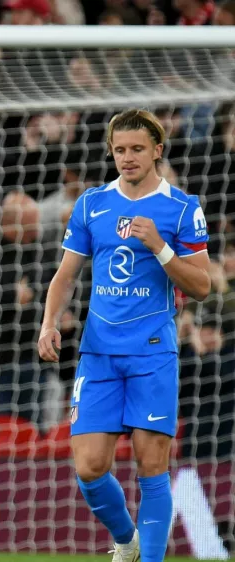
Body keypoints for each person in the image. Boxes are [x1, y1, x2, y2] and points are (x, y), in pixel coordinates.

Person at [38, 109, 212, 562]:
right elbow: (65, 275)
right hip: (98, 355)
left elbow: (202, 286)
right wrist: (49, 322)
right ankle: (126, 541)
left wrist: (161, 247)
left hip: (153, 354)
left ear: (157, 150)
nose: (128, 158)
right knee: (89, 467)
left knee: (151, 468)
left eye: (138, 149)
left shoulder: (181, 208)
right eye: (120, 150)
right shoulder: (92, 204)